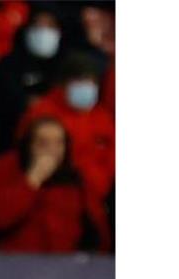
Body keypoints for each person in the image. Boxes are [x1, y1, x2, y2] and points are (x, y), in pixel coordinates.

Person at [0, 116, 110, 253]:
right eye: (43, 143)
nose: (52, 150)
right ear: (29, 145)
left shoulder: (76, 180)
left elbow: (99, 231)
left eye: (59, 143)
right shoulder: (6, 169)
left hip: (67, 264)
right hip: (16, 262)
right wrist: (33, 180)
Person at [15, 52, 114, 205]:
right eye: (80, 80)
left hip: (99, 196)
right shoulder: (41, 113)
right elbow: (26, 155)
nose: (87, 86)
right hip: (55, 196)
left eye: (91, 81)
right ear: (64, 83)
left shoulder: (102, 117)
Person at [0, 7, 65, 155]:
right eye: (38, 25)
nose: (44, 32)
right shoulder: (8, 65)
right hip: (13, 145)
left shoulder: (65, 65)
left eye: (50, 26)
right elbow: (9, 103)